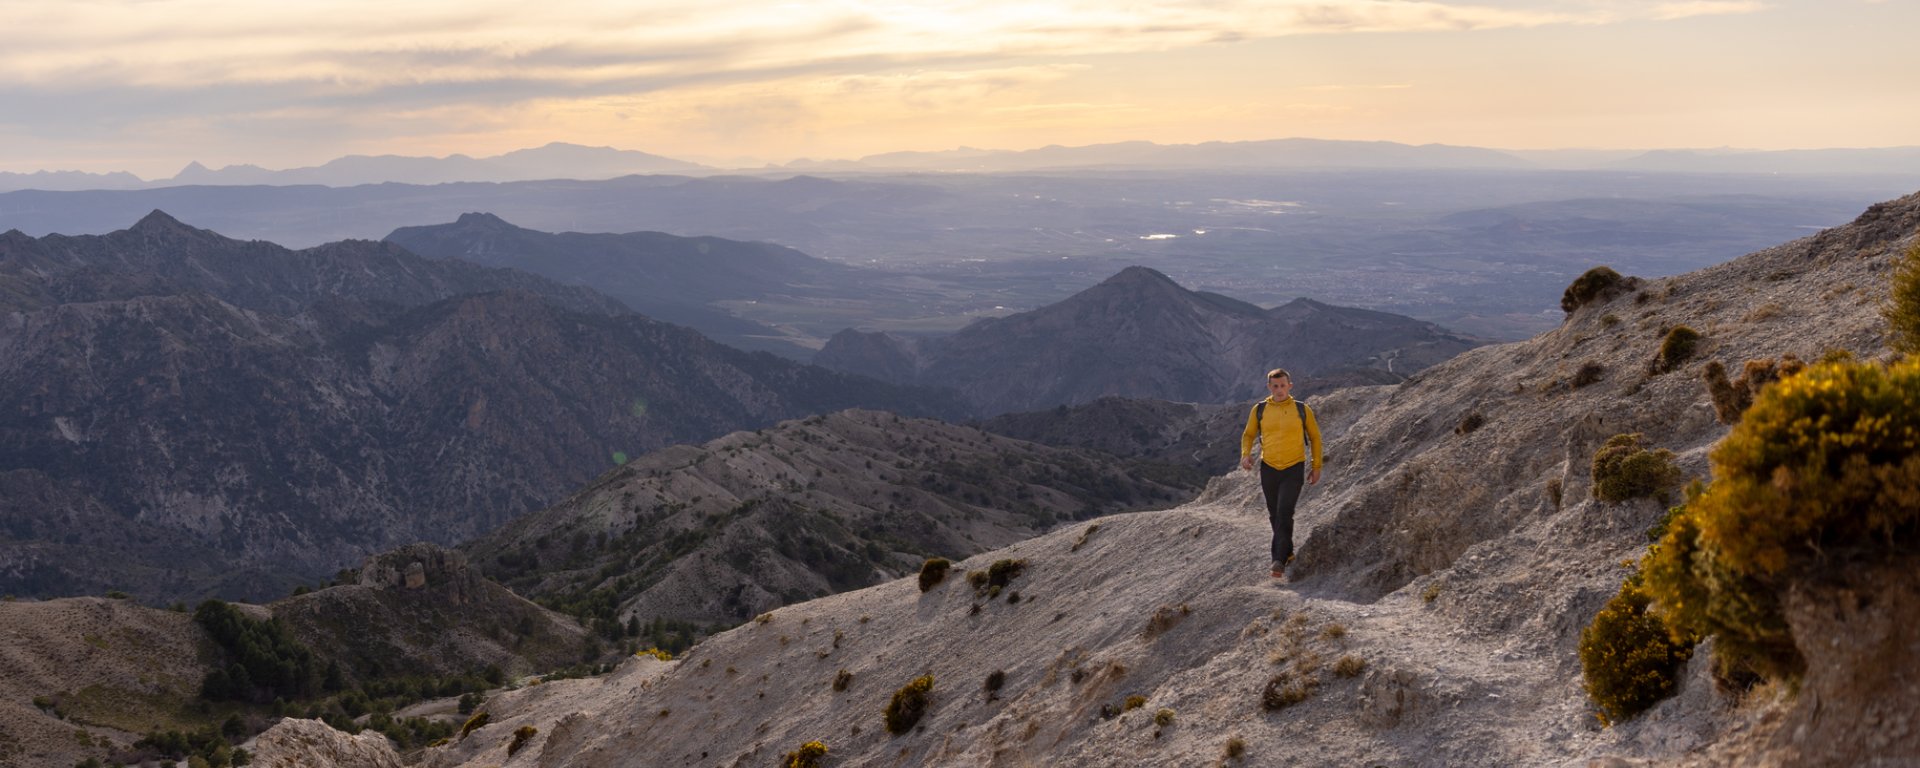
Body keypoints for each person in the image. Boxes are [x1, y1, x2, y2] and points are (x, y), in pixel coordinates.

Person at [1239, 368, 1324, 579]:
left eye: (1283, 385)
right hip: (1269, 467)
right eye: (1275, 386)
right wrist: (1245, 454)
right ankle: (1287, 552)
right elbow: (1249, 434)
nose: (1279, 390)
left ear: (1290, 386)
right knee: (1274, 514)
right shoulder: (1259, 410)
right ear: (1269, 387)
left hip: (1294, 467)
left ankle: (1277, 561)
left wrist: (1316, 466)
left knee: (1285, 511)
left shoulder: (1302, 409)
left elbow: (1315, 438)